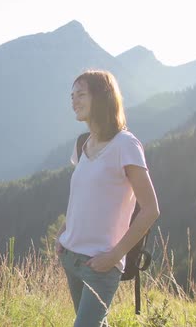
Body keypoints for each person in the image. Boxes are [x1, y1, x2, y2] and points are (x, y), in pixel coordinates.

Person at [55, 70, 160, 326]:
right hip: (72, 256)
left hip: (100, 265)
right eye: (72, 95)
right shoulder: (83, 144)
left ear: (102, 97)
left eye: (81, 94)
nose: (74, 101)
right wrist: (63, 233)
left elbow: (150, 209)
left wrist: (115, 257)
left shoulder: (126, 145)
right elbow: (83, 197)